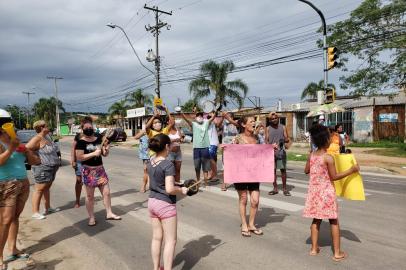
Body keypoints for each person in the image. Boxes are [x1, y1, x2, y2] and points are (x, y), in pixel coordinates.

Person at [303, 124, 359, 261]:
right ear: (325, 140)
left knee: (316, 220)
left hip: (314, 193)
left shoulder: (311, 155)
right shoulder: (328, 158)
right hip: (327, 193)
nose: (332, 140)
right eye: (330, 138)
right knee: (334, 221)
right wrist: (351, 170)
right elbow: (334, 177)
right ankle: (337, 253)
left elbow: (306, 171)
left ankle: (314, 249)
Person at [226, 116, 276, 237]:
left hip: (254, 173)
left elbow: (262, 151)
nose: (254, 123)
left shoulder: (257, 138)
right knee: (243, 199)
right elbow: (231, 153)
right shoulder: (237, 138)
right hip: (241, 174)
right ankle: (244, 224)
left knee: (255, 201)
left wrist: (271, 148)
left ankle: (252, 224)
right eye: (251, 121)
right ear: (243, 125)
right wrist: (227, 148)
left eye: (254, 121)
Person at [0, 127, 40, 269]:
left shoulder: (18, 145)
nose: (11, 133)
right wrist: (10, 149)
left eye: (13, 131)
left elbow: (36, 162)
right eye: (6, 131)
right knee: (5, 220)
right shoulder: (2, 145)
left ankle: (13, 248)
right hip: (6, 184)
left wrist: (27, 151)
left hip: (23, 184)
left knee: (15, 217)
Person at [147, 134, 188, 270]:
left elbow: (158, 182)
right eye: (170, 145)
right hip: (165, 204)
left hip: (152, 202)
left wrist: (177, 184)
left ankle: (156, 268)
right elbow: (169, 189)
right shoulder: (167, 164)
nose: (171, 147)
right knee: (171, 241)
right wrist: (181, 190)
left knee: (157, 238)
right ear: (166, 146)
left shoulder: (150, 161)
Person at [75, 118, 121, 226]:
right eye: (86, 128)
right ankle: (91, 217)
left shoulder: (99, 139)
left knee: (107, 193)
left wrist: (106, 149)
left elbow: (104, 154)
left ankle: (109, 213)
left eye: (90, 127)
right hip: (88, 171)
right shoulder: (81, 142)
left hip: (100, 170)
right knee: (90, 196)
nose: (89, 129)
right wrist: (93, 154)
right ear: (82, 129)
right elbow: (80, 157)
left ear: (93, 128)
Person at [27, 120, 61, 220]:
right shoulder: (37, 138)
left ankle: (48, 208)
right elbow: (26, 148)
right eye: (46, 125)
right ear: (41, 127)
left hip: (51, 167)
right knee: (39, 189)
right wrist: (35, 159)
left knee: (46, 188)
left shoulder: (47, 136)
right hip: (43, 168)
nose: (48, 126)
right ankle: (35, 212)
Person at [181, 111, 215, 187]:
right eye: (198, 116)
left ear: (203, 117)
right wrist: (181, 113)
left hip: (205, 148)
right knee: (197, 167)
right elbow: (186, 119)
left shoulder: (206, 123)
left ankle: (205, 183)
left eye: (201, 116)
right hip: (196, 148)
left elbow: (212, 118)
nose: (199, 117)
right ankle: (198, 181)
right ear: (196, 118)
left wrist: (215, 111)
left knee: (205, 167)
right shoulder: (194, 124)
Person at [265, 112, 291, 196]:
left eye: (275, 118)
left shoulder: (283, 127)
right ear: (269, 120)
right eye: (272, 119)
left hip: (281, 152)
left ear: (278, 118)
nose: (274, 120)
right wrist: (270, 146)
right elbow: (266, 141)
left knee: (283, 170)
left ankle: (284, 189)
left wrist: (284, 140)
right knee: (273, 171)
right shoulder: (268, 128)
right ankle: (275, 188)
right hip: (271, 153)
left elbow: (287, 139)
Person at [219, 112, 240, 191]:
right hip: (226, 148)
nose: (227, 118)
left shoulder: (236, 123)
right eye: (226, 116)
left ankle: (236, 182)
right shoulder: (224, 124)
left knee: (235, 166)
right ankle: (224, 183)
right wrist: (222, 118)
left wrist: (227, 117)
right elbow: (218, 125)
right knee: (225, 167)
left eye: (229, 116)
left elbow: (236, 124)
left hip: (235, 149)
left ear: (232, 117)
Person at [71, 126, 85, 208]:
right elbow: (73, 147)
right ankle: (77, 200)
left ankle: (89, 199)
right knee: (79, 181)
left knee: (89, 182)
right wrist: (73, 160)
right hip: (79, 161)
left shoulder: (93, 135)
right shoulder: (78, 136)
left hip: (89, 162)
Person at [207, 112, 223, 181]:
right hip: (210, 143)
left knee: (213, 159)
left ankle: (213, 175)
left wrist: (222, 117)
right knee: (210, 159)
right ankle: (212, 174)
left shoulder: (213, 124)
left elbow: (218, 124)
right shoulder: (206, 123)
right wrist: (214, 114)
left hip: (214, 143)